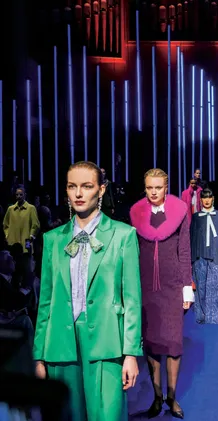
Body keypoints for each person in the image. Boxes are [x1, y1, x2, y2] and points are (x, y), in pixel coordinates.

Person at [33, 161, 142, 421]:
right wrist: (38, 356)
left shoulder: (123, 235)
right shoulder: (52, 239)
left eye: (87, 186)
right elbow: (45, 302)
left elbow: (132, 300)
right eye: (72, 186)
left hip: (108, 343)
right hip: (60, 345)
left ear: (101, 190)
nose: (79, 193)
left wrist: (131, 353)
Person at [129, 168, 193, 419]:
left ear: (166, 187)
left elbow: (184, 250)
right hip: (145, 287)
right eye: (149, 187)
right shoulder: (136, 213)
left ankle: (172, 398)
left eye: (158, 187)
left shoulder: (179, 211)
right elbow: (131, 252)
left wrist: (187, 287)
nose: (153, 192)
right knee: (152, 343)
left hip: (173, 285)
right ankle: (157, 398)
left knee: (174, 343)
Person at [190, 188, 218, 325]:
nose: (207, 200)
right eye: (204, 197)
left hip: (216, 255)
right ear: (201, 200)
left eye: (209, 197)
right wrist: (190, 260)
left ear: (213, 198)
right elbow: (192, 238)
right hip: (199, 256)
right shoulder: (196, 217)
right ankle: (202, 316)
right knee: (200, 287)